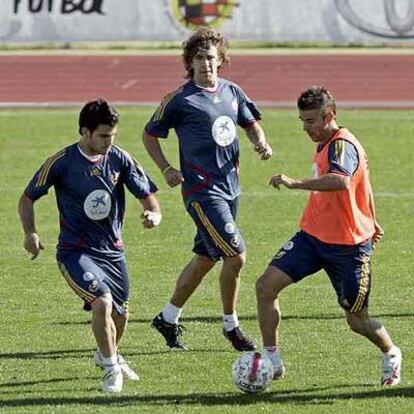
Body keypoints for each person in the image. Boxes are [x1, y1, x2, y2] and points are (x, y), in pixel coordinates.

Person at [256, 86, 402, 386]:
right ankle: (272, 359)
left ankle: (390, 353)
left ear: (329, 116)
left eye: (311, 121)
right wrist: (372, 218)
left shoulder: (341, 145)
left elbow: (341, 182)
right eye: (302, 120)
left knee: (356, 319)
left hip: (348, 248)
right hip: (312, 236)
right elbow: (364, 184)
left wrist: (295, 183)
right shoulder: (325, 141)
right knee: (265, 287)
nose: (305, 128)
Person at [18, 99, 162, 393]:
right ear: (85, 132)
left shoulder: (120, 159)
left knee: (120, 314)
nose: (109, 142)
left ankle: (108, 354)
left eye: (113, 136)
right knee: (102, 303)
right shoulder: (62, 162)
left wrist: (153, 215)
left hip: (113, 252)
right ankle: (111, 369)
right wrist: (30, 233)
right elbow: (27, 198)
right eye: (103, 136)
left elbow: (148, 197)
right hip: (75, 252)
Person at [142, 27, 272, 351]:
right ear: (190, 62)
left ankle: (167, 318)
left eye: (211, 58)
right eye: (198, 58)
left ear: (221, 60)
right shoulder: (179, 100)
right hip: (202, 192)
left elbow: (250, 123)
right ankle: (231, 326)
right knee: (236, 255)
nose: (205, 64)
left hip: (231, 189)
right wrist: (167, 168)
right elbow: (150, 135)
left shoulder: (233, 92)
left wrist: (260, 141)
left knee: (205, 258)